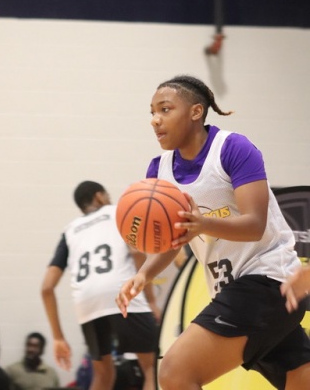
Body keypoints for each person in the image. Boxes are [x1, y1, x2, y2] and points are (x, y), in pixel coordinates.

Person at [115, 75, 310, 390]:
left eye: (165, 109)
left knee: (175, 372)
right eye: (152, 112)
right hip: (235, 290)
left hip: (267, 281)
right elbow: (174, 239)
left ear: (196, 112)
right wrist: (144, 275)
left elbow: (255, 224)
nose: (155, 119)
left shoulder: (232, 149)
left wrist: (202, 224)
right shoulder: (159, 170)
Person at [41, 181, 158, 390]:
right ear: (99, 196)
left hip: (86, 303)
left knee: (103, 374)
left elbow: (46, 288)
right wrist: (151, 301)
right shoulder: (119, 212)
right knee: (152, 368)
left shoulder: (70, 231)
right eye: (107, 195)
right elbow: (137, 253)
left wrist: (58, 337)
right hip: (120, 291)